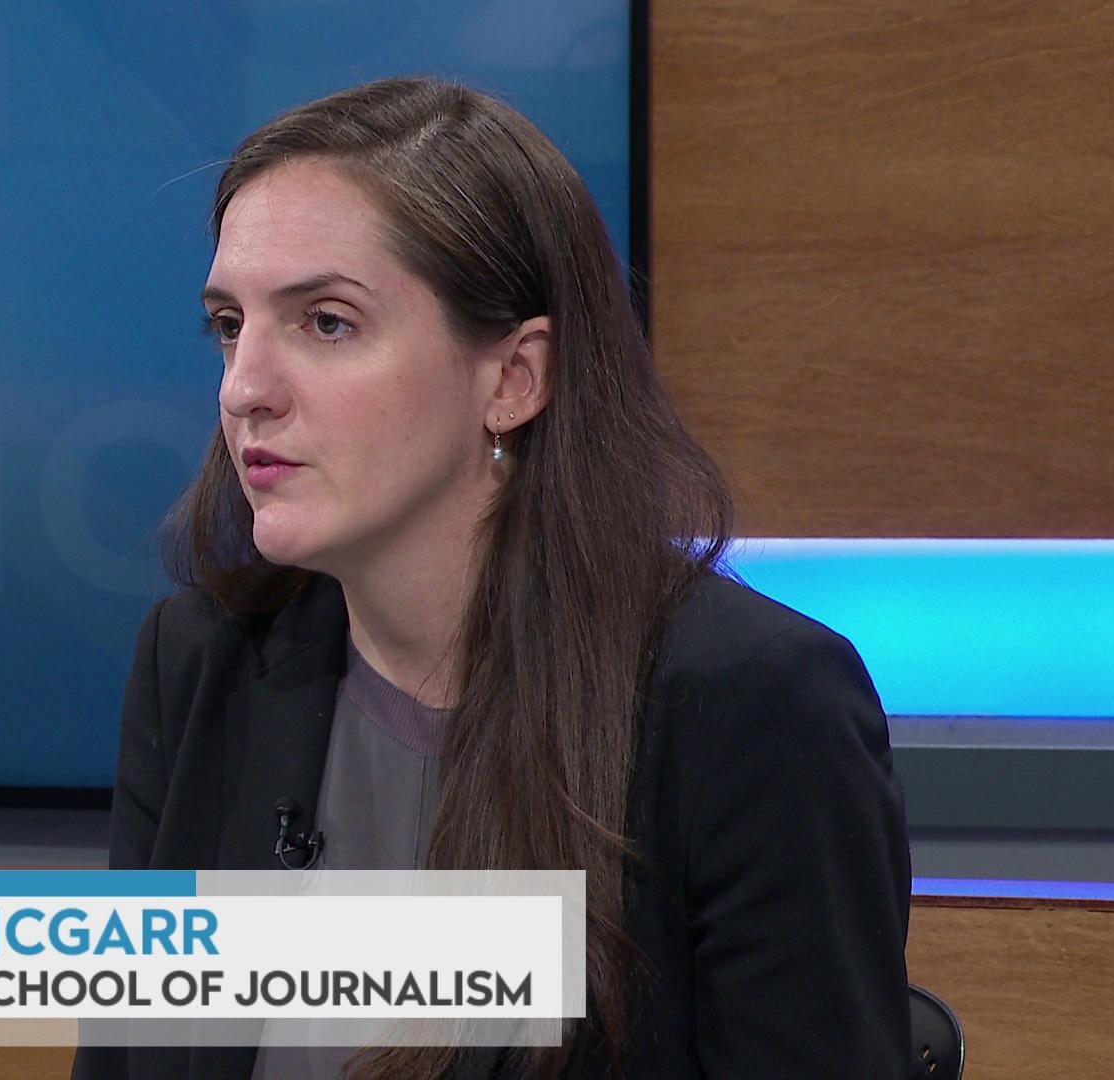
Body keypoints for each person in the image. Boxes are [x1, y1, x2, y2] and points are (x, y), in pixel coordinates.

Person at [71, 77, 911, 1079]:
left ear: (512, 378)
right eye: (229, 326)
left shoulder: (748, 706)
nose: (244, 389)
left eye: (325, 323)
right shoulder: (199, 667)